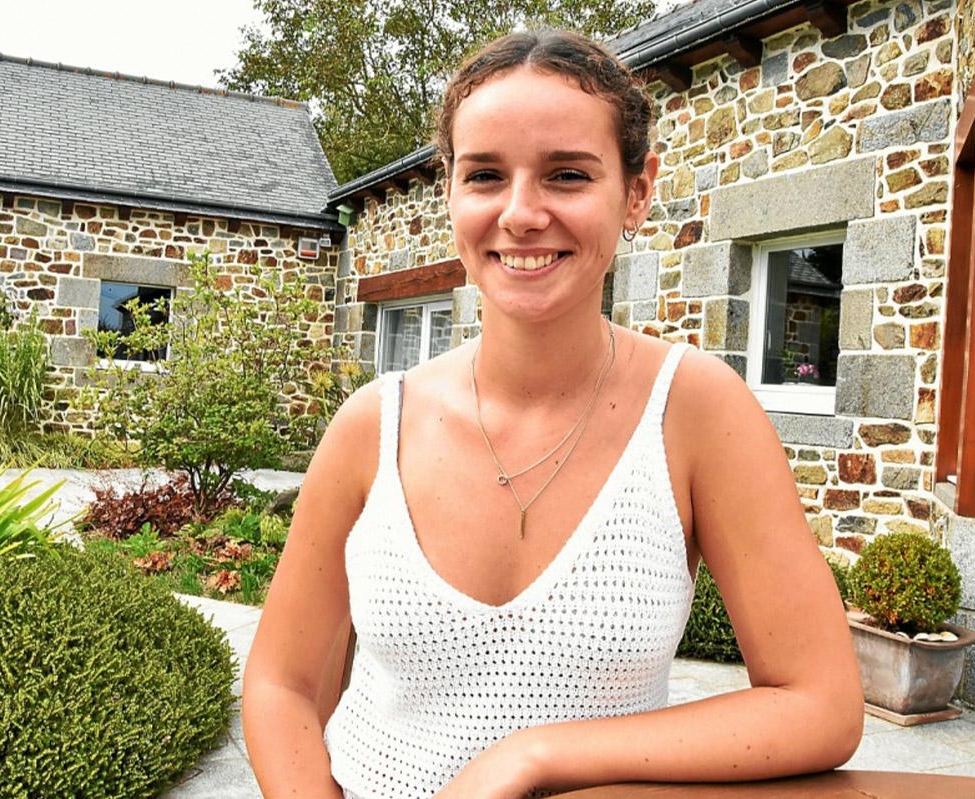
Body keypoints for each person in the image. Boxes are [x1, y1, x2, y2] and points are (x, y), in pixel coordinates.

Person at [243, 29, 863, 799]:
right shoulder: (374, 424)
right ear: (451, 194)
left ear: (636, 192)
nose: (522, 214)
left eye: (567, 175)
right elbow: (282, 682)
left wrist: (533, 753)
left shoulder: (695, 412)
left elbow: (820, 702)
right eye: (485, 176)